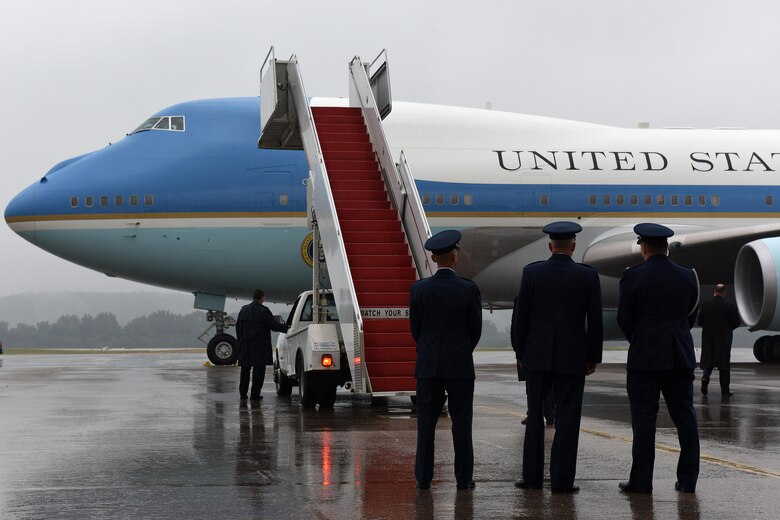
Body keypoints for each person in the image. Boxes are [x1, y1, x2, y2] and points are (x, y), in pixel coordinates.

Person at [511, 221, 603, 493]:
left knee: (535, 418)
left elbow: (521, 319)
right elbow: (595, 322)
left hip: (536, 357)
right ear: (573, 246)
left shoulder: (532, 273)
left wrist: (521, 353)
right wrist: (592, 356)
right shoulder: (587, 276)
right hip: (572, 357)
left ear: (550, 246)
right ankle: (562, 481)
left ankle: (532, 478)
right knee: (568, 420)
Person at [617, 223, 700, 494]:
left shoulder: (632, 277)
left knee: (643, 422)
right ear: (666, 247)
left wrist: (641, 337)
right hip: (679, 354)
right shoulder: (688, 276)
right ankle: (687, 480)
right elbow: (690, 316)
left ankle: (642, 482)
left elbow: (624, 319)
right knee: (685, 419)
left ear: (643, 246)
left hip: (645, 356)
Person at [410, 229, 482, 491]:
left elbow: (416, 329)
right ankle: (463, 479)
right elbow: (475, 329)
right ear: (455, 257)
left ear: (432, 258)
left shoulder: (418, 290)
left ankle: (423, 477)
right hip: (459, 364)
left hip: (428, 363)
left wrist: (430, 348)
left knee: (426, 423)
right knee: (462, 422)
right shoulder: (468, 289)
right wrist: (461, 349)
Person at [237, 289, 289, 401]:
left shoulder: (243, 310)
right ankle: (255, 395)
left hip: (245, 346)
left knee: (245, 371)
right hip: (259, 346)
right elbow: (274, 326)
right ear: (262, 298)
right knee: (258, 372)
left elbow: (238, 328)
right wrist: (287, 329)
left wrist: (240, 343)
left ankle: (243, 394)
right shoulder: (264, 311)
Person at [698, 284, 741, 397]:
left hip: (708, 340)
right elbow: (736, 322)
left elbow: (700, 322)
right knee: (724, 367)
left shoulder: (705, 306)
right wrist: (728, 328)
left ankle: (705, 378)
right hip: (723, 340)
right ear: (724, 292)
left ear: (714, 291)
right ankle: (725, 392)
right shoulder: (729, 307)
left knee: (708, 363)